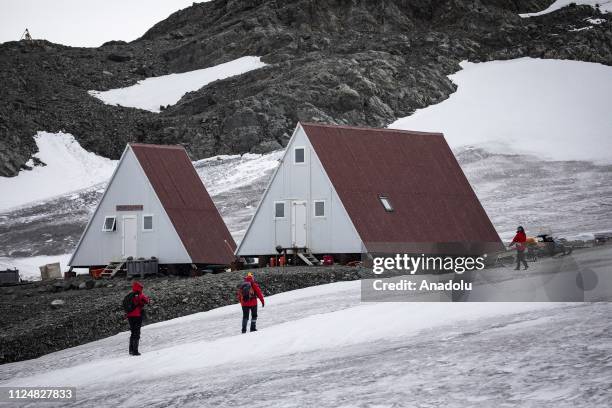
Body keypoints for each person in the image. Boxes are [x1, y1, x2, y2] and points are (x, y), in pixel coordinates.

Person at [124, 281, 150, 356]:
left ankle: (131, 350)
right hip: (137, 316)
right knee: (137, 333)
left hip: (129, 316)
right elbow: (147, 301)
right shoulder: (140, 295)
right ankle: (135, 351)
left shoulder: (129, 295)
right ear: (139, 288)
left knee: (132, 332)